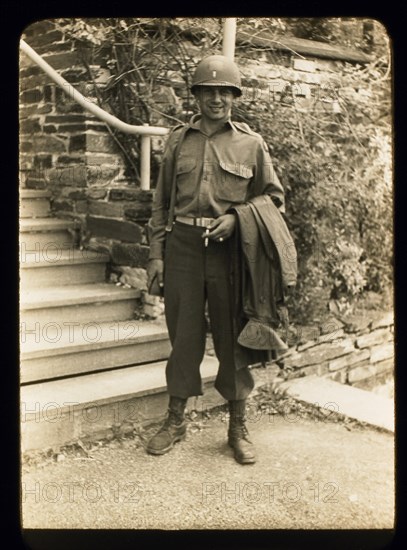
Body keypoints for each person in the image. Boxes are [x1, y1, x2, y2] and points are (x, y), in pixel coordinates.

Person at [146, 54, 286, 464]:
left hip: (231, 254)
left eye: (225, 91)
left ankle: (237, 426)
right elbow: (160, 204)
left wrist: (235, 218)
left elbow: (273, 199)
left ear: (234, 96)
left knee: (233, 340)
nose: (217, 99)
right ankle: (175, 420)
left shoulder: (251, 144)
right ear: (197, 95)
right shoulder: (178, 140)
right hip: (183, 248)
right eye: (209, 91)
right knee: (183, 339)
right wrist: (156, 256)